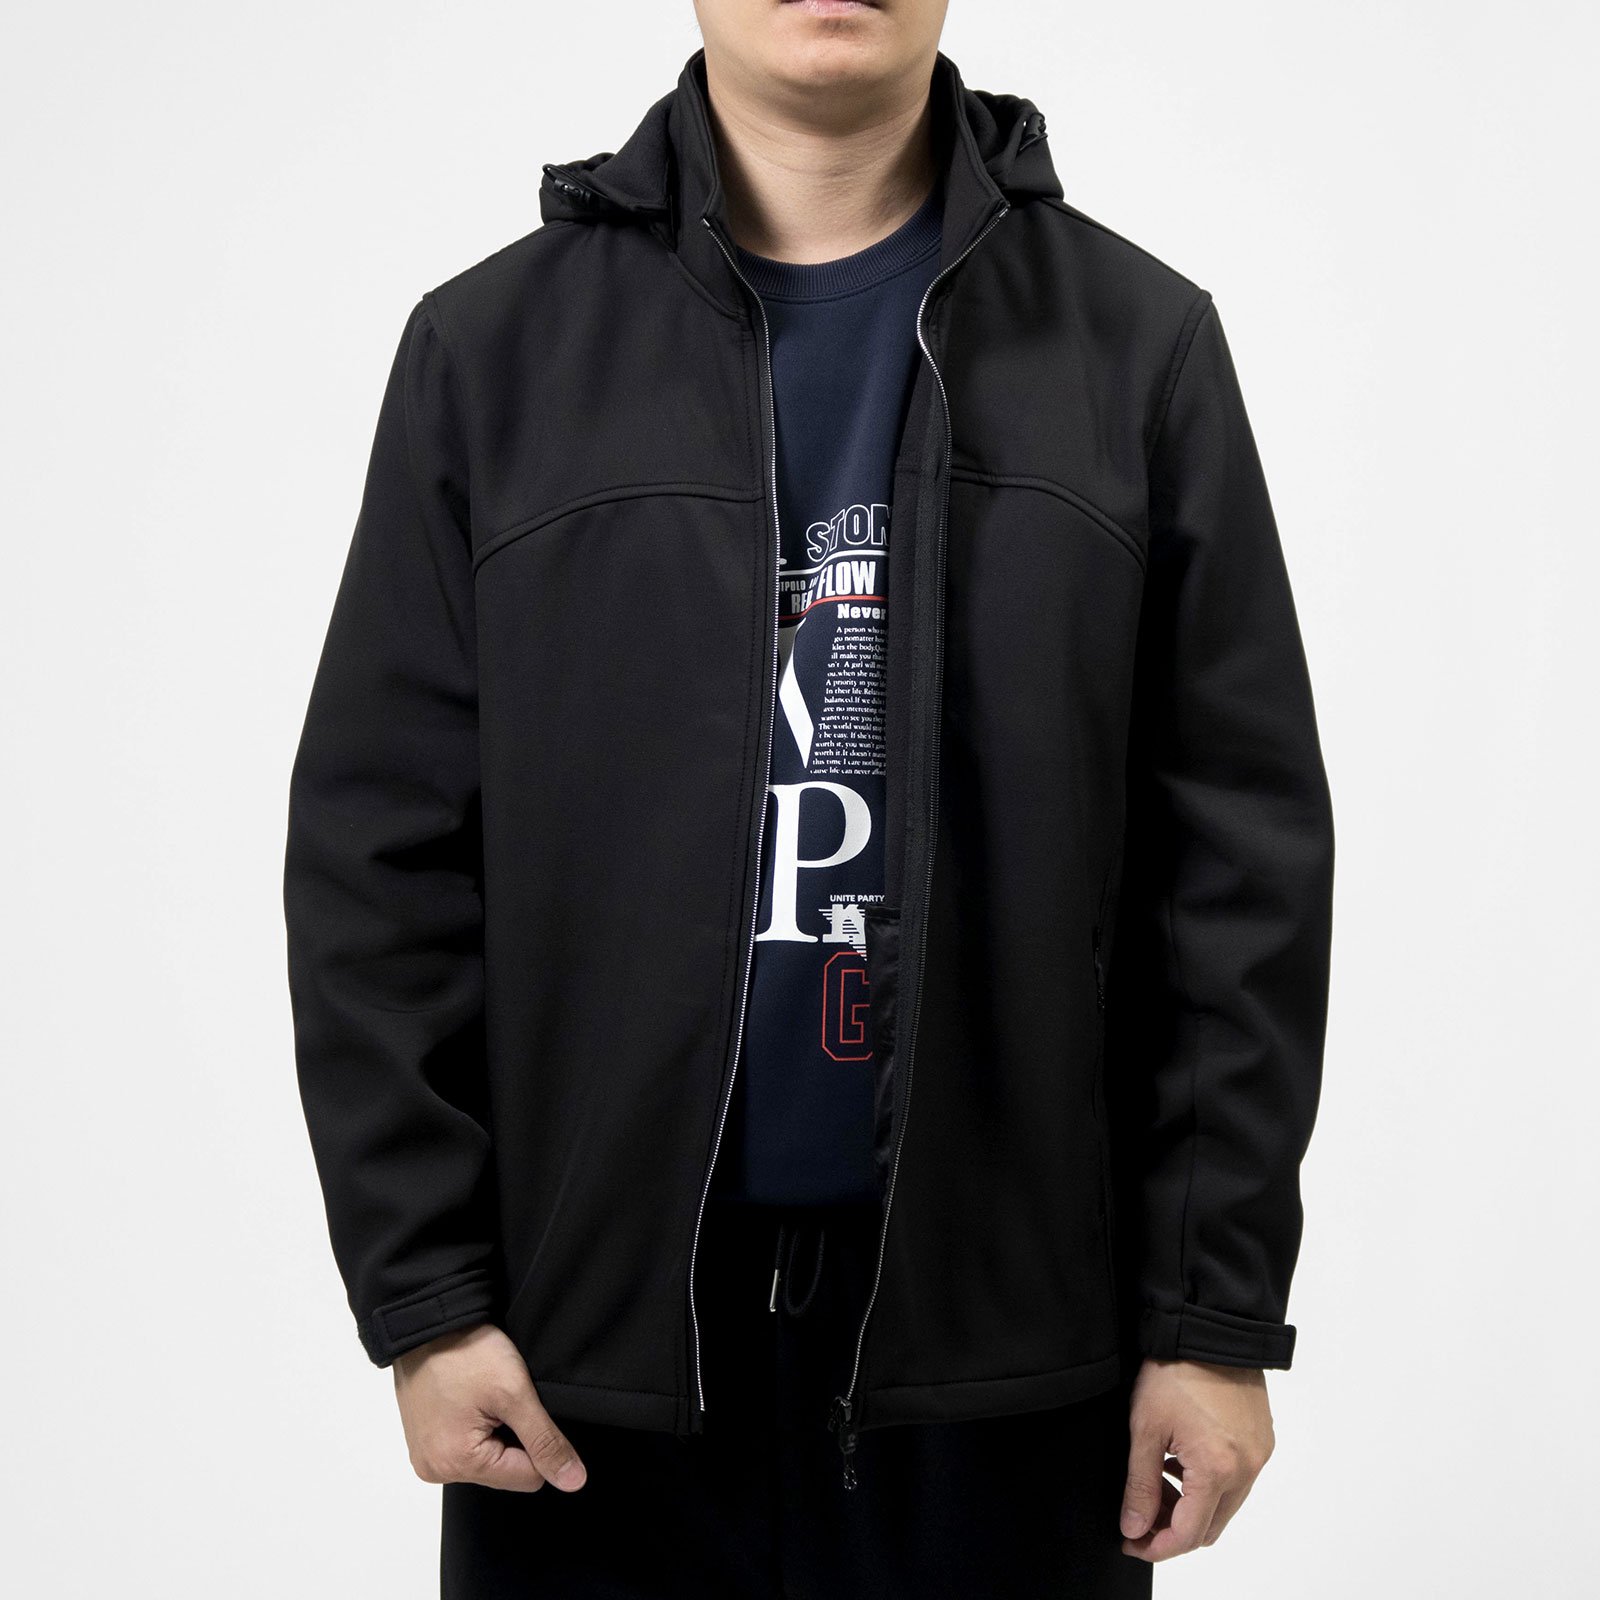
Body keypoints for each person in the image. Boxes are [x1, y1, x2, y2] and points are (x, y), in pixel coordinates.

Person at [282, 1, 1335, 1594]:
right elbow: (379, 859)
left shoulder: (1139, 348)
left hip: (1011, 1372)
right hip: (587, 1389)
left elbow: (1236, 875)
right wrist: (428, 1302)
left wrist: (1213, 1317)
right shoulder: (490, 354)